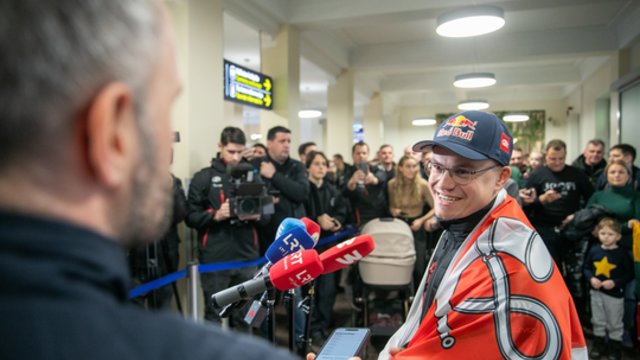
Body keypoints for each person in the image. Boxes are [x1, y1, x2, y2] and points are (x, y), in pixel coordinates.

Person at [0, 1, 297, 360]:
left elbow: (264, 214)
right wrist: (216, 216)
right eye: (166, 109)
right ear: (113, 134)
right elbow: (193, 214)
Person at [379, 111, 586, 359]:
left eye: (463, 171)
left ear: (501, 178)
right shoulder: (467, 222)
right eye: (436, 166)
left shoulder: (501, 263)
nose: (442, 183)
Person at [185, 127, 262, 326]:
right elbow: (190, 217)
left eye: (240, 152)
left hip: (247, 256)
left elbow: (267, 216)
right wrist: (217, 215)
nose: (236, 158)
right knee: (213, 316)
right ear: (220, 147)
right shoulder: (204, 177)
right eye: (231, 152)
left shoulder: (252, 176)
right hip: (215, 259)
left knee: (245, 319)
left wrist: (257, 214)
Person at [586, 159, 640, 348]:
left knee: (629, 294)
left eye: (621, 172)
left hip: (628, 253)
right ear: (606, 176)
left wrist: (622, 228)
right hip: (600, 252)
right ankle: (601, 333)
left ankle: (622, 331)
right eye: (612, 172)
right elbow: (587, 219)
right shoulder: (598, 195)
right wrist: (624, 225)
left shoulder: (635, 196)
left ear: (629, 176)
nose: (616, 175)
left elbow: (637, 222)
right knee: (598, 294)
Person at [520, 139, 594, 268]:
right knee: (551, 267)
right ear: (546, 156)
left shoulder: (577, 174)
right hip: (544, 228)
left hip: (571, 227)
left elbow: (592, 198)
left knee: (573, 270)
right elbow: (525, 205)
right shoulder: (537, 175)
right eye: (553, 159)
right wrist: (542, 200)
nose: (558, 162)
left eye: (561, 158)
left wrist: (578, 216)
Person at [303, 151, 348, 346]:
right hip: (308, 250)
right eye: (316, 164)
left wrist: (336, 222)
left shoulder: (332, 189)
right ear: (308, 167)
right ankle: (310, 329)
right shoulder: (303, 190)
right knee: (310, 290)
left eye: (324, 164)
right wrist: (317, 221)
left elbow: (342, 211)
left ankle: (323, 327)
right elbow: (300, 217)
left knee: (328, 290)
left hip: (328, 247)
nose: (321, 167)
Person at [129, 173, 187, 309]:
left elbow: (180, 214)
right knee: (134, 313)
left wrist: (171, 189)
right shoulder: (127, 178)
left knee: (163, 309)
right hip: (135, 259)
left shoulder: (173, 181)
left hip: (165, 258)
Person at [583, 218, 634, 360]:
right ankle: (599, 345)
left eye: (610, 234)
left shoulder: (622, 253)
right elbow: (586, 268)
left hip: (614, 295)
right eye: (603, 233)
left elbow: (629, 274)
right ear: (598, 234)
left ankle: (614, 347)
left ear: (618, 236)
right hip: (596, 293)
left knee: (614, 322)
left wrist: (615, 282)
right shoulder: (594, 250)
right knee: (598, 319)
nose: (606, 237)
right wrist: (591, 278)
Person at [387, 155, 435, 284]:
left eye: (414, 166)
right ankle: (403, 295)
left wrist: (421, 220)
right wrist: (393, 211)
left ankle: (419, 297)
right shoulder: (392, 184)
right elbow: (391, 206)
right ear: (401, 168)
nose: (412, 169)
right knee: (399, 263)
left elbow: (436, 208)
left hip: (417, 224)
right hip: (399, 225)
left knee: (419, 265)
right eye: (408, 166)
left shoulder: (423, 184)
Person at [344, 141, 389, 227]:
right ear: (353, 155)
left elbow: (383, 175)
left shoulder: (375, 168)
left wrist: (374, 179)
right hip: (360, 217)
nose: (361, 156)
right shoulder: (348, 172)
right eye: (358, 153)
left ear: (368, 155)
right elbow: (343, 191)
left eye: (364, 153)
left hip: (380, 214)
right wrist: (352, 182)